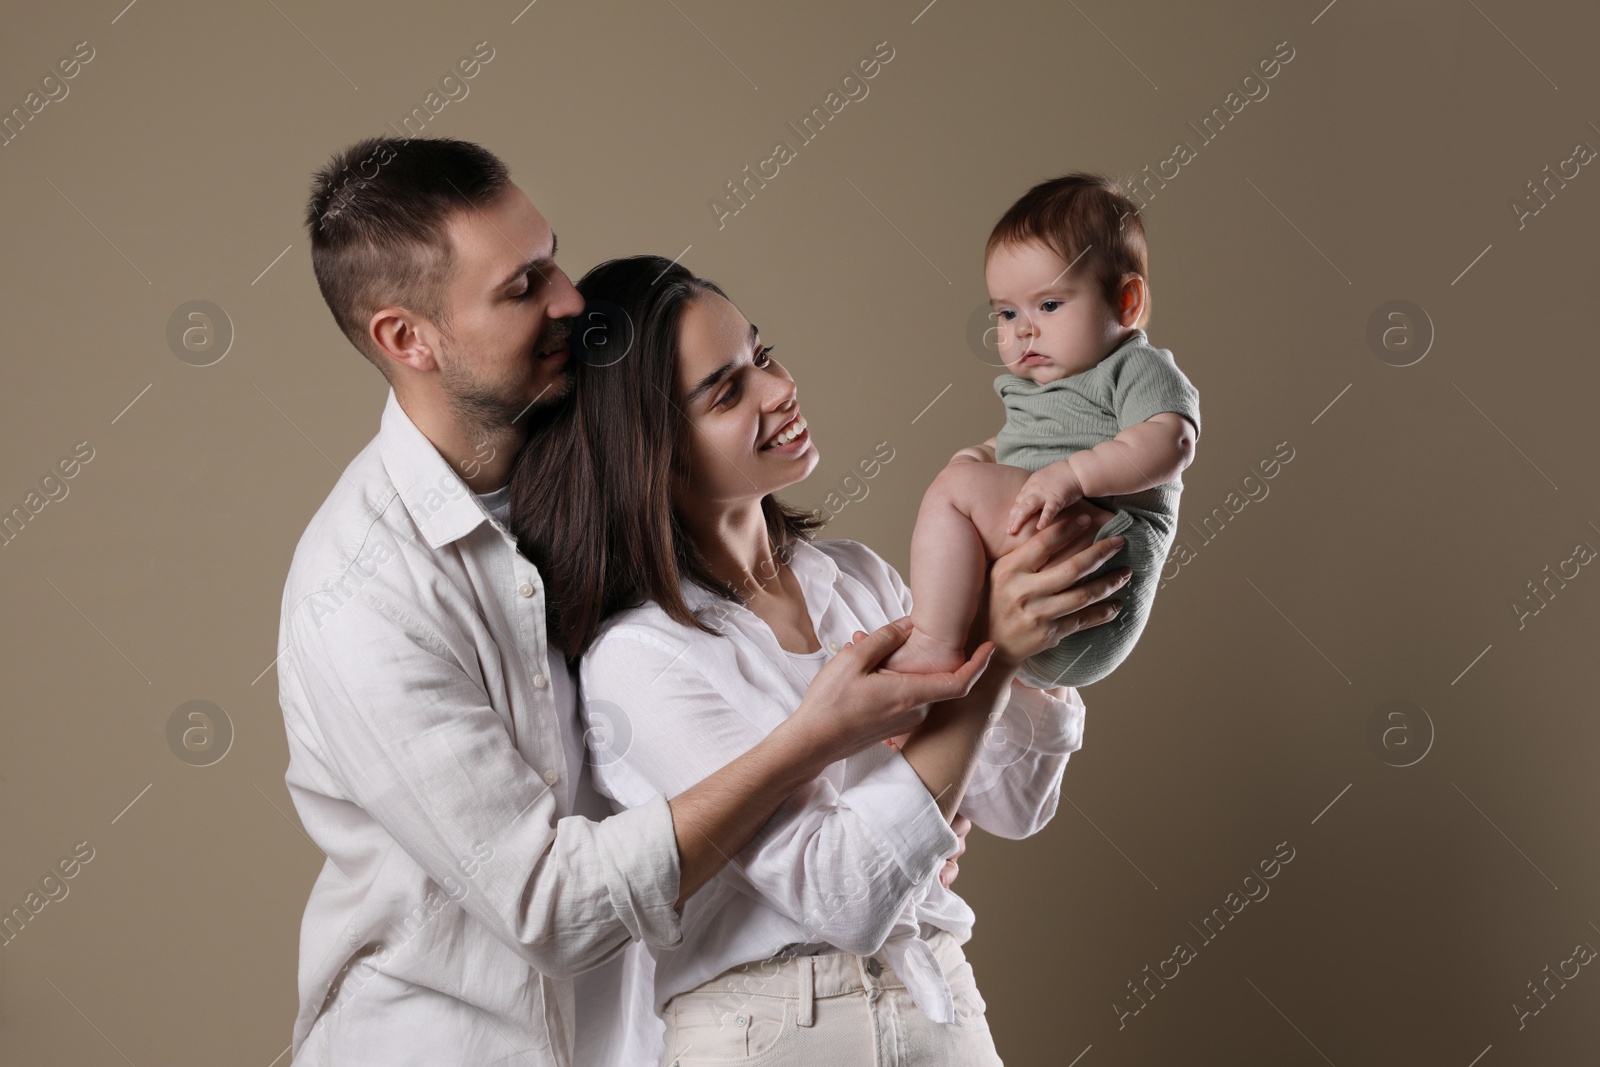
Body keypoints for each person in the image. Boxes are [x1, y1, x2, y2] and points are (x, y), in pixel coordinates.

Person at [274, 136, 1108, 1065]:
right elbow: (547, 904)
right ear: (406, 338)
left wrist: (922, 792)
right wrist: (824, 748)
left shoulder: (592, 517)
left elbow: (945, 816)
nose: (568, 298)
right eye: (522, 286)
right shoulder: (364, 592)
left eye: (551, 256)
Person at [507, 255, 1130, 1065]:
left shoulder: (859, 577)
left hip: (937, 1001)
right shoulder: (642, 658)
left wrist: (1010, 623)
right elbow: (845, 891)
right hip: (773, 1032)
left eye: (762, 355)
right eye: (727, 391)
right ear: (653, 452)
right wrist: (994, 659)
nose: (777, 389)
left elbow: (1015, 802)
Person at [881, 173, 1201, 691]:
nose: (1022, 329)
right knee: (960, 480)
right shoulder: (1035, 385)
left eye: (1048, 305)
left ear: (1127, 302)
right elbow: (1023, 444)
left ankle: (931, 650)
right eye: (1007, 313)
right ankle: (949, 646)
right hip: (1037, 603)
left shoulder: (1133, 368)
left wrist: (1074, 473)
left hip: (1102, 560)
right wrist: (982, 454)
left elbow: (1172, 441)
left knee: (953, 495)